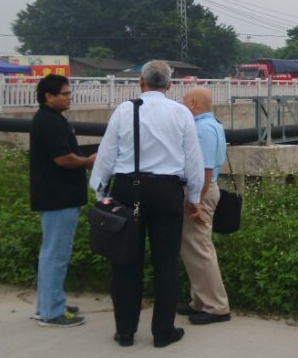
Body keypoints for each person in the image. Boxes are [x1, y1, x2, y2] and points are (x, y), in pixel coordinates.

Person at [89, 60, 205, 348]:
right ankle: (163, 331)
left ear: (140, 82)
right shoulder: (181, 113)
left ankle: (125, 331)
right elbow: (193, 159)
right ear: (169, 85)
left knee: (125, 261)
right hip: (167, 191)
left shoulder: (124, 110)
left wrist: (100, 192)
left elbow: (106, 155)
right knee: (166, 262)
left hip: (127, 189)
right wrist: (193, 198)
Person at [29, 74, 96, 327]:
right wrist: (88, 162)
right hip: (58, 197)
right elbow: (63, 159)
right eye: (65, 94)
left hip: (57, 196)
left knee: (51, 253)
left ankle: (48, 304)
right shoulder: (50, 121)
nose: (70, 97)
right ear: (49, 96)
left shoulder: (51, 118)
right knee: (56, 254)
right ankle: (52, 312)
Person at [177, 86, 232, 325]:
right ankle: (200, 301)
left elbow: (205, 169)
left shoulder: (202, 129)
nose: (181, 104)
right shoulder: (211, 124)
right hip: (203, 190)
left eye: (184, 100)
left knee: (199, 248)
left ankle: (216, 306)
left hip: (201, 191)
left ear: (193, 104)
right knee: (195, 248)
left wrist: (195, 201)